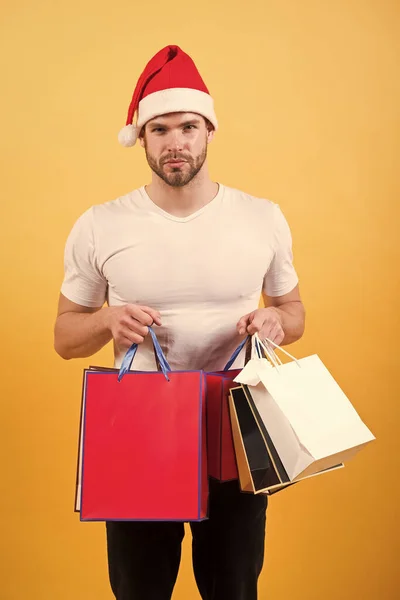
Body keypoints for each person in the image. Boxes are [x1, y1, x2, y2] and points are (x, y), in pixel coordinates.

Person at [54, 44, 305, 600]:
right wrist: (107, 322)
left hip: (236, 424)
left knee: (234, 587)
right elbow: (65, 336)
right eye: (160, 129)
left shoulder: (262, 217)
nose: (175, 142)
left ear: (209, 130)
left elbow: (294, 312)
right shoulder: (101, 225)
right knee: (139, 589)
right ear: (141, 138)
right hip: (141, 427)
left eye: (187, 127)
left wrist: (274, 320)